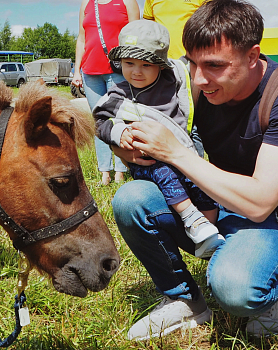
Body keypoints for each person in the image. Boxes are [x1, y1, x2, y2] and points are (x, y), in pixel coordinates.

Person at [111, 0, 278, 341]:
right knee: (131, 198)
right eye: (192, 63)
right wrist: (124, 145)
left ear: (253, 56)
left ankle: (273, 286)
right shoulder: (194, 86)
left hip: (273, 219)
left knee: (234, 288)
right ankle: (185, 300)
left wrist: (177, 154)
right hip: (213, 203)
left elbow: (261, 202)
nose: (198, 78)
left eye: (213, 66)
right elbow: (130, 110)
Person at [92, 20, 223, 259]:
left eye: (146, 64)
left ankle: (208, 233)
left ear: (161, 66)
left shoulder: (175, 80)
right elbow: (98, 120)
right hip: (149, 160)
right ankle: (191, 219)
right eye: (128, 63)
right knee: (165, 174)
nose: (136, 71)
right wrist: (119, 133)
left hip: (182, 153)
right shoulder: (119, 94)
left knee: (204, 182)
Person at [71, 0, 140, 186]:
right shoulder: (86, 3)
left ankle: (121, 171)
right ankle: (104, 172)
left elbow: (136, 36)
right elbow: (81, 38)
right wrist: (77, 71)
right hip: (90, 73)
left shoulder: (127, 2)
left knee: (120, 119)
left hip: (118, 71)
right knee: (98, 122)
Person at [143, 0, 207, 157]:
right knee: (168, 116)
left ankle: (196, 169)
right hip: (162, 67)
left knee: (194, 121)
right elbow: (147, 30)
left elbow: (211, 22)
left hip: (191, 64)